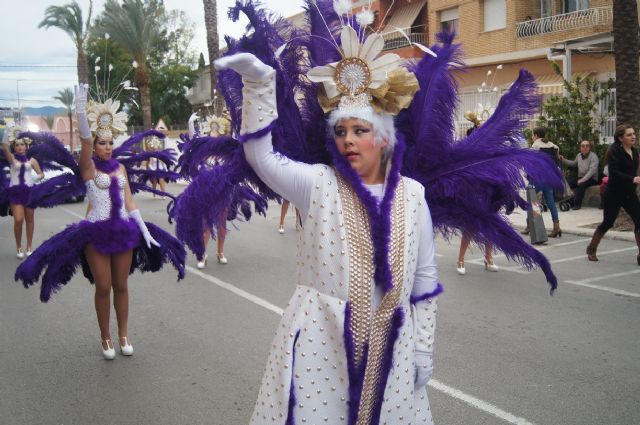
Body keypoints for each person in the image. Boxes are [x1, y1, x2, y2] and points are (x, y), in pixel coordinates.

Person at [215, 26, 442, 425]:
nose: (349, 140)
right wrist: (259, 85)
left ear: (385, 138)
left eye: (360, 130)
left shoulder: (414, 196)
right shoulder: (317, 184)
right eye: (341, 131)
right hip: (320, 348)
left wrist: (423, 348)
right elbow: (261, 159)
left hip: (393, 349)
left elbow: (423, 280)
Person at [15, 85, 186, 359]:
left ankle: (123, 335)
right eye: (102, 143)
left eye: (110, 143)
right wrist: (81, 111)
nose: (107, 147)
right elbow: (83, 143)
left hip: (124, 231)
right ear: (94, 146)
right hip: (96, 233)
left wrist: (144, 231)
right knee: (103, 286)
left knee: (121, 286)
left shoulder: (120, 168)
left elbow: (130, 202)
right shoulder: (88, 167)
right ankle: (105, 337)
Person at [586, 124, 640, 264]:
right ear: (621, 138)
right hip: (614, 193)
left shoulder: (635, 152)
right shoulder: (615, 151)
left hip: (629, 193)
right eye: (629, 135)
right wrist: (632, 179)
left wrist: (634, 180)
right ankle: (591, 249)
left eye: (633, 133)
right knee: (608, 222)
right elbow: (614, 174)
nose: (633, 136)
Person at [457, 113, 498, 274]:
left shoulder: (490, 151)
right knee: (470, 226)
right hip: (473, 191)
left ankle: (489, 258)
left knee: (490, 224)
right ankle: (460, 260)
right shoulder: (468, 155)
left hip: (489, 190)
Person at [1, 127, 44, 258]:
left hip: (29, 192)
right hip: (15, 193)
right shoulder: (12, 159)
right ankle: (19, 247)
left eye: (22, 144)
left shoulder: (32, 161)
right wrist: (6, 131)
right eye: (17, 144)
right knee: (18, 220)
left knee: (30, 220)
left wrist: (33, 179)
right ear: (15, 147)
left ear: (27, 146)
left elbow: (41, 174)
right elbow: (4, 146)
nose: (19, 147)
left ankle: (29, 247)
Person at [530, 127, 563, 237]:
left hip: (538, 177)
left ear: (535, 135)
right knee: (551, 202)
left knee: (532, 199)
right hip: (550, 178)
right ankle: (556, 227)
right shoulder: (553, 146)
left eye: (532, 135)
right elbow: (557, 159)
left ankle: (531, 226)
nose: (532, 137)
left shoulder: (535, 146)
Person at [559, 140, 599, 210]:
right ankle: (570, 201)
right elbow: (573, 163)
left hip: (592, 179)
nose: (585, 147)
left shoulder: (594, 157)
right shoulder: (579, 155)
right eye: (583, 146)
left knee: (581, 184)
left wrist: (582, 180)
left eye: (587, 146)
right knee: (567, 184)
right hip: (581, 177)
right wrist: (563, 159)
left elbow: (592, 171)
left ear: (590, 147)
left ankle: (577, 205)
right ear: (580, 147)